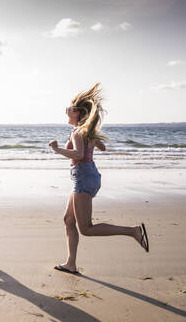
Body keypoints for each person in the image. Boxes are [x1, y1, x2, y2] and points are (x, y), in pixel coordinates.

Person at [49, 83, 149, 274]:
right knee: (69, 220)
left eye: (69, 108)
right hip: (88, 175)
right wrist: (93, 141)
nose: (66, 110)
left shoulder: (78, 132)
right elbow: (101, 147)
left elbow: (77, 154)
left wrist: (56, 149)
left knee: (86, 228)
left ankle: (133, 231)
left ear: (77, 113)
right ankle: (71, 264)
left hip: (83, 177)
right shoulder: (86, 132)